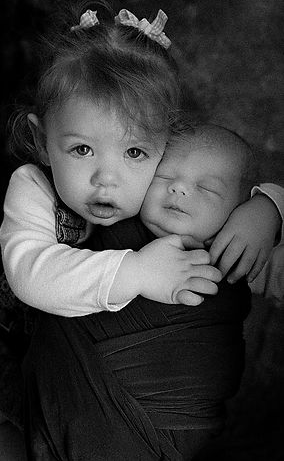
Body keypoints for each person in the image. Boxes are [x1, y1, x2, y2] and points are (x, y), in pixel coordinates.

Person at [0, 3, 283, 443]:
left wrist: (268, 209)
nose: (106, 180)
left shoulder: (169, 195)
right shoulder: (33, 187)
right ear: (41, 140)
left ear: (166, 147)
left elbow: (256, 250)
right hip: (12, 358)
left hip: (89, 406)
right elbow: (31, 275)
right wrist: (136, 271)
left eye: (134, 153)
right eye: (82, 150)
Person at [22, 123, 282, 460]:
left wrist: (271, 208)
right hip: (60, 398)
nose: (179, 189)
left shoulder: (236, 257)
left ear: (237, 209)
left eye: (206, 188)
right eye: (164, 177)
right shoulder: (109, 220)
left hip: (162, 429)